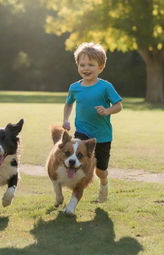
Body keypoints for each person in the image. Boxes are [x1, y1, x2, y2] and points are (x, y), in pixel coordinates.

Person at [63, 42, 122, 203]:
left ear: (101, 67)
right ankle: (76, 193)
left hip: (102, 136)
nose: (86, 68)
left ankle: (103, 184)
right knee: (77, 163)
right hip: (82, 132)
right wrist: (66, 120)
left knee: (100, 170)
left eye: (91, 64)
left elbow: (118, 105)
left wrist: (107, 111)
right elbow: (69, 104)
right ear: (77, 66)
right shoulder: (74, 88)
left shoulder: (105, 87)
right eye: (82, 65)